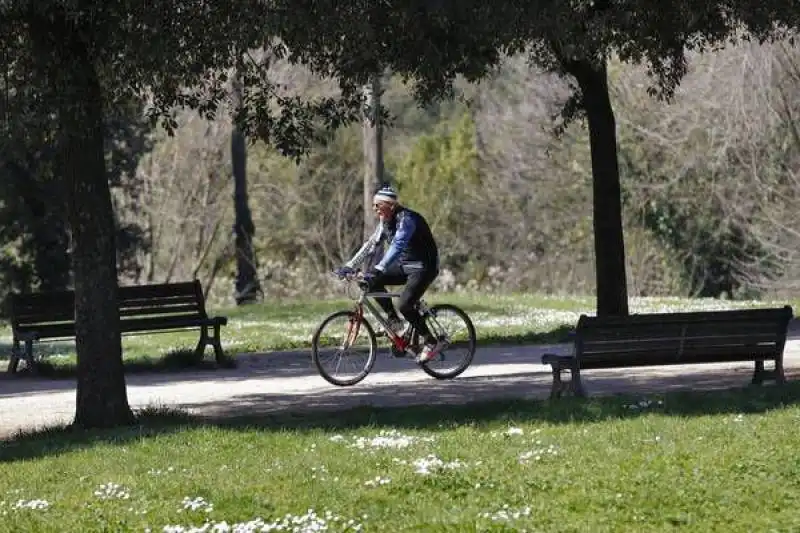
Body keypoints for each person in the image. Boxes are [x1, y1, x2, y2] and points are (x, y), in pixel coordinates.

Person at [334, 185, 442, 363]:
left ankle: (431, 342)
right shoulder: (385, 222)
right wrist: (350, 265)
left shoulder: (406, 220)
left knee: (405, 304)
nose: (374, 209)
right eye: (374, 205)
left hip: (424, 267)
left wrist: (380, 268)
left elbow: (397, 246)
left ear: (391, 205)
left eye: (378, 205)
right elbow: (370, 245)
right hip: (405, 266)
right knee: (370, 280)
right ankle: (394, 321)